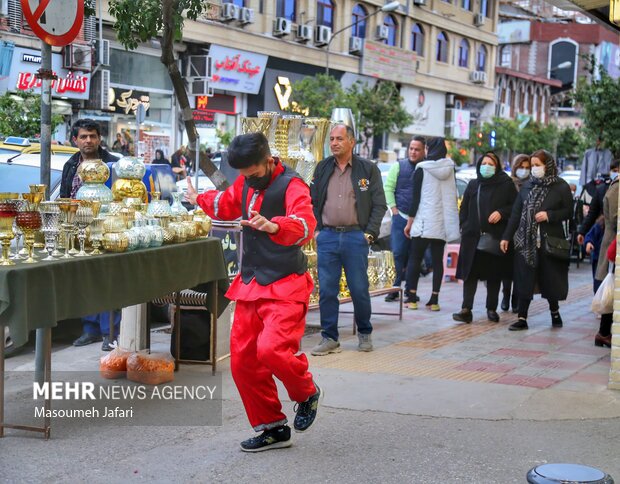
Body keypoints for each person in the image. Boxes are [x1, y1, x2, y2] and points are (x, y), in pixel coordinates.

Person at [184, 132, 321, 452]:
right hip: (251, 284)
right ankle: (272, 427)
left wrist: (275, 226)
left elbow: (305, 223)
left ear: (267, 159)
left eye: (253, 173)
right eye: (244, 176)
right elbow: (225, 203)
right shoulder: (245, 182)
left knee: (272, 349)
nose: (249, 180)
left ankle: (306, 393)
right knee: (243, 360)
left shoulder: (292, 184)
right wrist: (197, 199)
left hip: (286, 283)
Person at [310, 124, 386, 356]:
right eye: (331, 139)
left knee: (359, 289)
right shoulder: (322, 168)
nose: (334, 143)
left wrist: (369, 233)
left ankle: (364, 333)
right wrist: (316, 230)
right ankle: (329, 337)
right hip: (328, 237)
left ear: (351, 142)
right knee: (327, 290)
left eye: (339, 138)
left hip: (356, 237)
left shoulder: (367, 170)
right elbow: (312, 201)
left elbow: (379, 204)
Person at [60, 119, 121, 351]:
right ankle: (90, 329)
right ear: (75, 140)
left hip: (108, 230)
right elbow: (64, 197)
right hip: (78, 231)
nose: (88, 140)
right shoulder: (70, 165)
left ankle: (109, 332)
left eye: (92, 136)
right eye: (83, 137)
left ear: (99, 139)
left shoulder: (113, 165)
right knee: (86, 281)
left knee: (107, 280)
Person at [500, 149, 573, 331]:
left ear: (547, 165)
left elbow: (569, 212)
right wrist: (506, 237)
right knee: (524, 278)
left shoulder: (560, 186)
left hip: (550, 241)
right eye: (532, 166)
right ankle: (522, 318)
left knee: (550, 279)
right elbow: (516, 214)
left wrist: (549, 215)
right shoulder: (527, 186)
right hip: (526, 242)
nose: (534, 169)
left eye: (537, 165)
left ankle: (555, 312)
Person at [452, 152, 517, 324]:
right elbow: (464, 207)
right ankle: (466, 309)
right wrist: (465, 226)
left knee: (493, 275)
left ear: (497, 167)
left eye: (491, 164)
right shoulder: (474, 184)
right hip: (472, 238)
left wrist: (501, 213)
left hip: (494, 237)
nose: (487, 166)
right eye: (484, 163)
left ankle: (491, 309)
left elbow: (516, 207)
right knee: (469, 275)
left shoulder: (506, 184)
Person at [403, 137, 460, 311]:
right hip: (441, 224)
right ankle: (434, 300)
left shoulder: (422, 169)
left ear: (428, 149)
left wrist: (410, 223)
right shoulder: (450, 169)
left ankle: (412, 298)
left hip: (424, 222)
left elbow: (416, 199)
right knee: (437, 262)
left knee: (415, 259)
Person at [383, 136, 426, 303]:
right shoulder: (398, 166)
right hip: (400, 217)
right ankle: (394, 288)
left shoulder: (426, 168)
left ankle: (410, 290)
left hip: (420, 219)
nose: (413, 152)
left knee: (414, 256)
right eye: (411, 149)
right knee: (398, 254)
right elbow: (389, 188)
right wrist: (394, 210)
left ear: (424, 151)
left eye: (417, 149)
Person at [501, 154, 531, 313]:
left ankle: (515, 297)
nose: (524, 171)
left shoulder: (532, 185)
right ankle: (505, 295)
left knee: (520, 268)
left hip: (525, 231)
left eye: (527, 168)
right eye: (521, 167)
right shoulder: (508, 183)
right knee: (507, 266)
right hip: (508, 230)